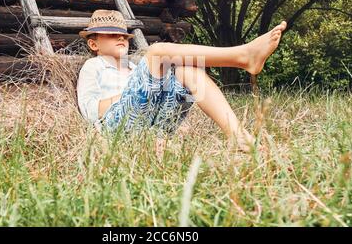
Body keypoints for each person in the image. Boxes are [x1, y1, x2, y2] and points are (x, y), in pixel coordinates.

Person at [77, 10, 287, 151]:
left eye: (123, 34)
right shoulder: (92, 67)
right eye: (112, 35)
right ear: (94, 44)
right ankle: (242, 56)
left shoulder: (134, 67)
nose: (121, 37)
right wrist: (134, 93)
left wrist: (155, 92)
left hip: (150, 127)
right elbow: (90, 110)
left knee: (187, 69)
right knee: (157, 51)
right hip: (116, 127)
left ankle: (238, 135)